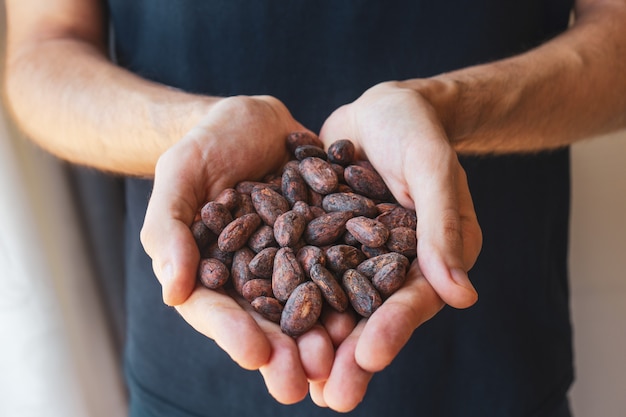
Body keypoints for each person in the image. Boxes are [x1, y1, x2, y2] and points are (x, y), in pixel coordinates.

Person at [4, 0, 626, 416]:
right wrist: (189, 133)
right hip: (197, 368)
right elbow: (42, 53)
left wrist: (446, 109)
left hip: (491, 360)